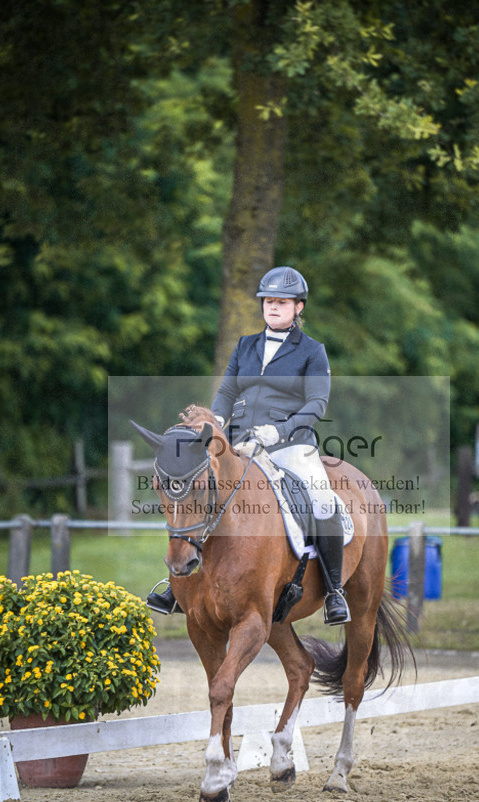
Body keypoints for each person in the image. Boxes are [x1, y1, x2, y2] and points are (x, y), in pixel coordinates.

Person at [146, 265, 350, 624]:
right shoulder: (246, 345)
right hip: (239, 442)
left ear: (298, 307)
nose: (273, 307)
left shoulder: (313, 352)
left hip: (291, 445)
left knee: (321, 498)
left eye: (282, 302)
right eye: (269, 301)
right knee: (200, 491)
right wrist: (217, 423)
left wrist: (280, 430)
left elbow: (317, 404)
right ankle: (179, 583)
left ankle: (334, 592)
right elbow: (226, 391)